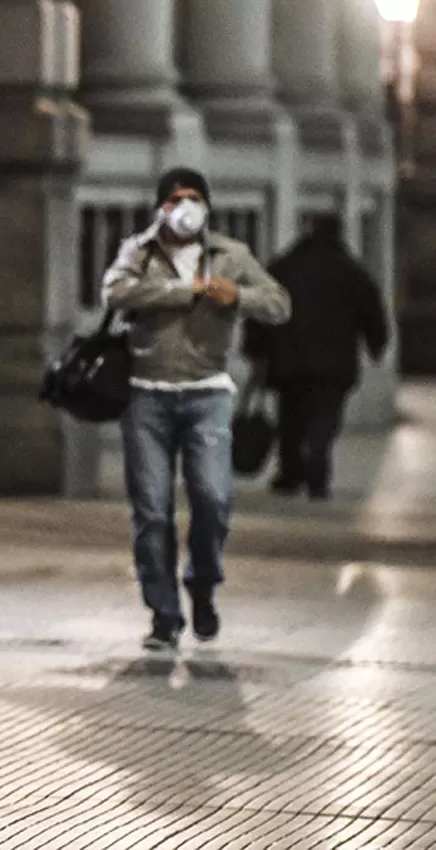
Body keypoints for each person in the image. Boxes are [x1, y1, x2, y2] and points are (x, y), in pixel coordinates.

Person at [102, 167, 291, 651]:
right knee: (152, 511)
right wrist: (184, 292)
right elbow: (115, 291)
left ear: (206, 205)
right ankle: (163, 613)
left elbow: (279, 304)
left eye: (193, 198)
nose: (184, 206)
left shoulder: (230, 255)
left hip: (207, 394)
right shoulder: (139, 250)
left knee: (213, 500)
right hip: (147, 394)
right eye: (174, 198)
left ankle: (202, 585)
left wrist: (238, 295)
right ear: (160, 205)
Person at [244, 214, 390, 500]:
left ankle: (290, 472)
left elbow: (260, 310)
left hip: (288, 360)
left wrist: (254, 349)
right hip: (334, 364)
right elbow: (372, 312)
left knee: (290, 418)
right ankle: (317, 465)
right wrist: (377, 346)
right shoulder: (351, 271)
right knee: (324, 417)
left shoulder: (284, 268)